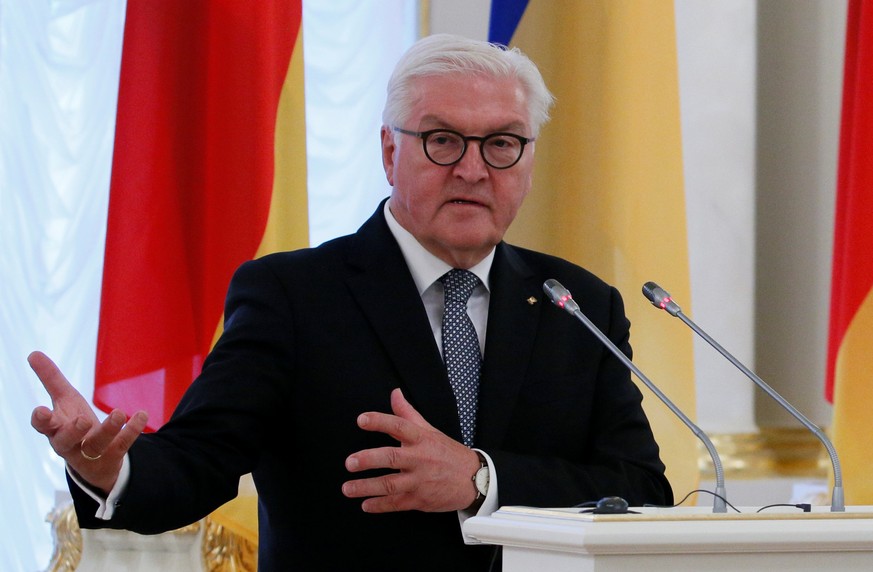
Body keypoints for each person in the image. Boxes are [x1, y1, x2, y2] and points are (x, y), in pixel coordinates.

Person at [29, 34, 672, 571]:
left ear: (527, 161)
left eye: (501, 144)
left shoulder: (577, 303)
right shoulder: (294, 295)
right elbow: (200, 461)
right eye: (443, 140)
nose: (474, 170)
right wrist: (112, 470)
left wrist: (483, 480)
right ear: (390, 151)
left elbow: (642, 492)